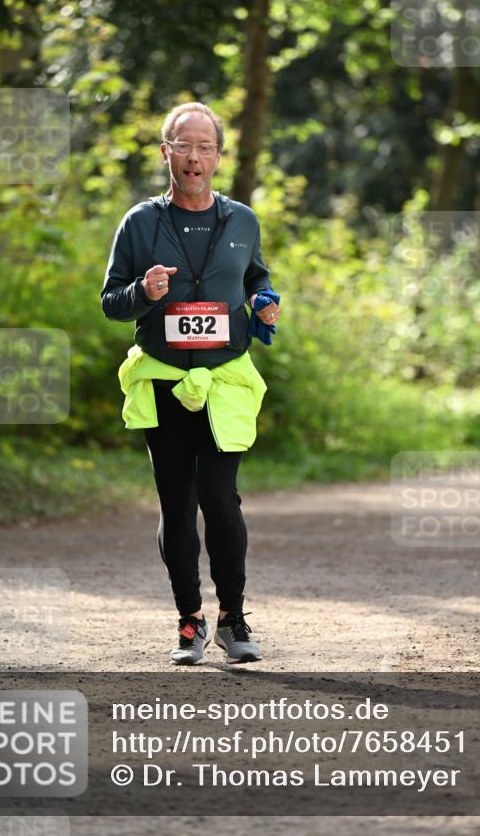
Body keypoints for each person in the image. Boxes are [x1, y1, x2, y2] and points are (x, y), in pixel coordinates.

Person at [101, 101, 281, 663]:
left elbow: (257, 278)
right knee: (176, 504)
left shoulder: (243, 221)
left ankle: (232, 617)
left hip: (224, 380)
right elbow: (111, 302)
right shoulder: (139, 223)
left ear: (219, 157)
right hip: (164, 381)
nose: (194, 157)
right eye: (184, 145)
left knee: (221, 501)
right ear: (166, 153)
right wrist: (144, 295)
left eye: (205, 147)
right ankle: (189, 620)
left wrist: (264, 303)